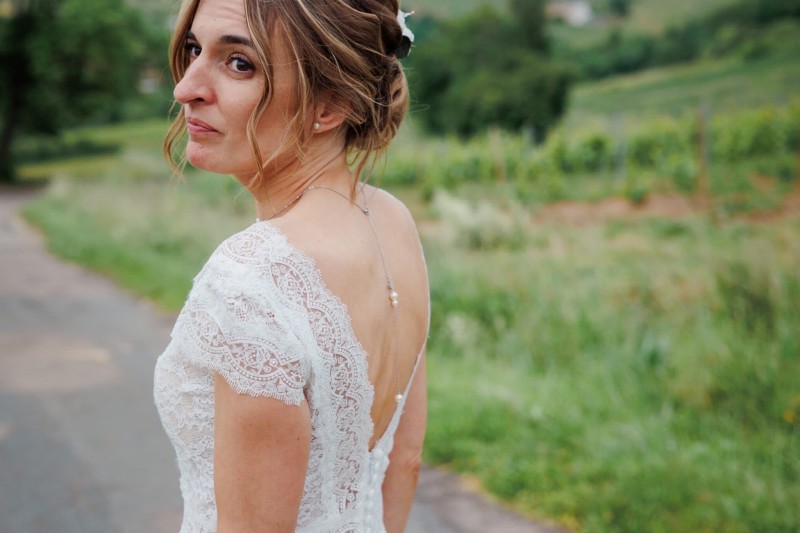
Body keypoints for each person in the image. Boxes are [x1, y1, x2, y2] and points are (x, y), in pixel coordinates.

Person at [153, 0, 429, 531]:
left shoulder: (251, 281)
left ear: (329, 106)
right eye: (194, 49)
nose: (185, 87)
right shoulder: (394, 222)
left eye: (239, 63)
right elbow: (405, 461)